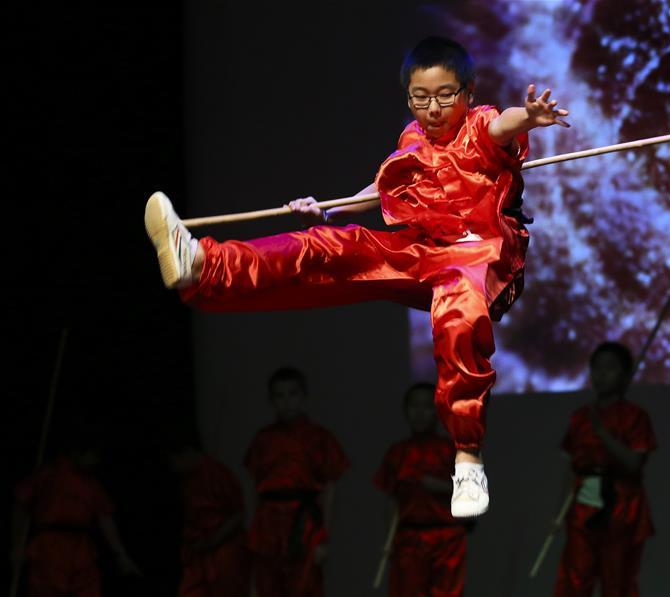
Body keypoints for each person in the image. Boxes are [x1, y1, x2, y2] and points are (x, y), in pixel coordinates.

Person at [144, 36, 571, 517]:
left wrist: (528, 117)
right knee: (326, 247)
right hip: (424, 253)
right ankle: (203, 263)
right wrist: (329, 209)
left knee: (456, 310)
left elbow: (503, 125)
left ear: (468, 92)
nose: (432, 109)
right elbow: (383, 188)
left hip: (483, 259)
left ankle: (468, 456)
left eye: (445, 95)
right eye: (420, 97)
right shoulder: (413, 138)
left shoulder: (479, 125)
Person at [553, 342, 656, 597]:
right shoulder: (580, 417)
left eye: (610, 368)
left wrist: (603, 434)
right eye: (596, 368)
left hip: (622, 506)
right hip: (583, 505)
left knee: (616, 580)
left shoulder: (635, 416)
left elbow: (634, 463)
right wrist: (559, 514)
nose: (601, 374)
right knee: (576, 578)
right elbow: (571, 468)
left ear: (625, 375)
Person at [244, 367, 349, 597]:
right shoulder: (263, 439)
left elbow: (330, 488)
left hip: (304, 523)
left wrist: (323, 536)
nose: (286, 402)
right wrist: (254, 530)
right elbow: (254, 489)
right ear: (271, 400)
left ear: (303, 396)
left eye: (292, 394)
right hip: (268, 523)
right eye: (279, 396)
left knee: (305, 587)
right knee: (268, 586)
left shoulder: (319, 437)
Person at [11, 436, 141, 597]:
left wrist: (120, 554)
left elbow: (105, 516)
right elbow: (21, 504)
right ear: (77, 452)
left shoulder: (92, 484)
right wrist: (17, 545)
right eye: (93, 455)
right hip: (50, 547)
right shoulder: (49, 474)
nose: (96, 460)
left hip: (81, 549)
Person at [374, 382, 471, 596]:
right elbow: (392, 500)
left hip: (447, 538)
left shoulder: (452, 450)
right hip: (409, 540)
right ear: (405, 410)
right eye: (414, 406)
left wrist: (441, 486)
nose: (419, 413)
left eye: (427, 407)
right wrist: (389, 539)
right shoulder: (398, 452)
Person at [164, 431, 250, 597]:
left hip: (223, 549)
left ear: (186, 452)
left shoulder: (217, 473)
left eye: (173, 460)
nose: (172, 466)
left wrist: (212, 542)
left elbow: (238, 514)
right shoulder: (185, 480)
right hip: (197, 550)